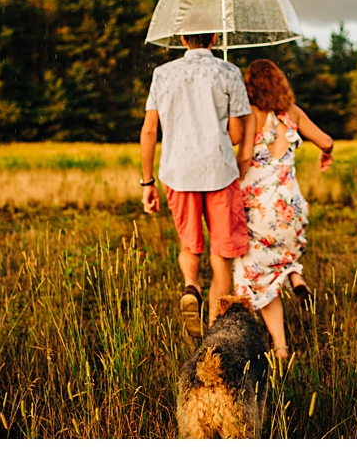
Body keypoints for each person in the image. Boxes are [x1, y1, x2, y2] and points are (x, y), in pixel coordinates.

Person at [140, 33, 256, 338]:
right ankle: (214, 333)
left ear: (182, 38)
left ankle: (191, 286)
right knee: (222, 254)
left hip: (178, 171)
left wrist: (147, 181)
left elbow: (150, 130)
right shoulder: (228, 71)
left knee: (189, 243)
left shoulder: (162, 74)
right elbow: (235, 133)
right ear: (215, 37)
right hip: (218, 169)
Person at [231, 59, 333, 360]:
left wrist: (231, 174)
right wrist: (325, 155)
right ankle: (293, 277)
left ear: (251, 85)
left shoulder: (252, 113)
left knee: (253, 272)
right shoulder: (293, 113)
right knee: (279, 259)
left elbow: (246, 155)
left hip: (260, 209)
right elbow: (326, 140)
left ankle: (272, 343)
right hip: (291, 205)